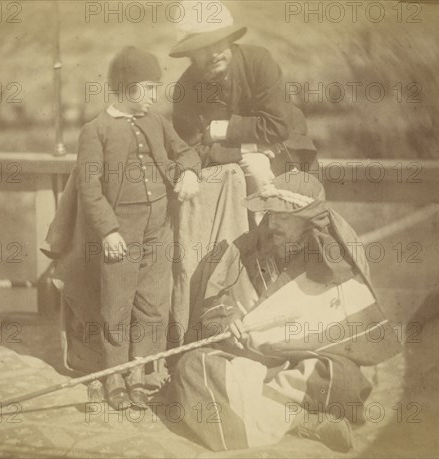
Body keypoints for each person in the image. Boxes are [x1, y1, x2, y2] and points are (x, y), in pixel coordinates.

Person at [169, 171, 402, 452]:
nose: (273, 222)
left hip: (304, 362)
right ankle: (304, 420)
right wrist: (228, 321)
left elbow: (347, 330)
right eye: (270, 213)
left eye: (284, 216)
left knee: (342, 377)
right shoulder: (247, 247)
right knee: (192, 367)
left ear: (306, 221)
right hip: (246, 360)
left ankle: (266, 413)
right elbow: (214, 301)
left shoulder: (335, 262)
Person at [57, 47, 201, 410]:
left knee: (154, 302)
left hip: (159, 226)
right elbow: (89, 189)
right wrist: (108, 231)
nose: (155, 95)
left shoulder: (157, 122)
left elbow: (186, 151)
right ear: (128, 87)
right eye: (150, 88)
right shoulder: (96, 130)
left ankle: (139, 372)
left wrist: (189, 171)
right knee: (116, 305)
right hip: (121, 232)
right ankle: (113, 374)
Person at [169, 1, 318, 200]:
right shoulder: (185, 88)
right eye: (202, 47)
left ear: (229, 39)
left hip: (286, 150)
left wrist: (218, 130)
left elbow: (277, 127)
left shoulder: (259, 61)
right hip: (231, 161)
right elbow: (189, 150)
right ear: (189, 53)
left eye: (218, 42)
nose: (213, 53)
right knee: (249, 169)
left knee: (298, 212)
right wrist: (249, 149)